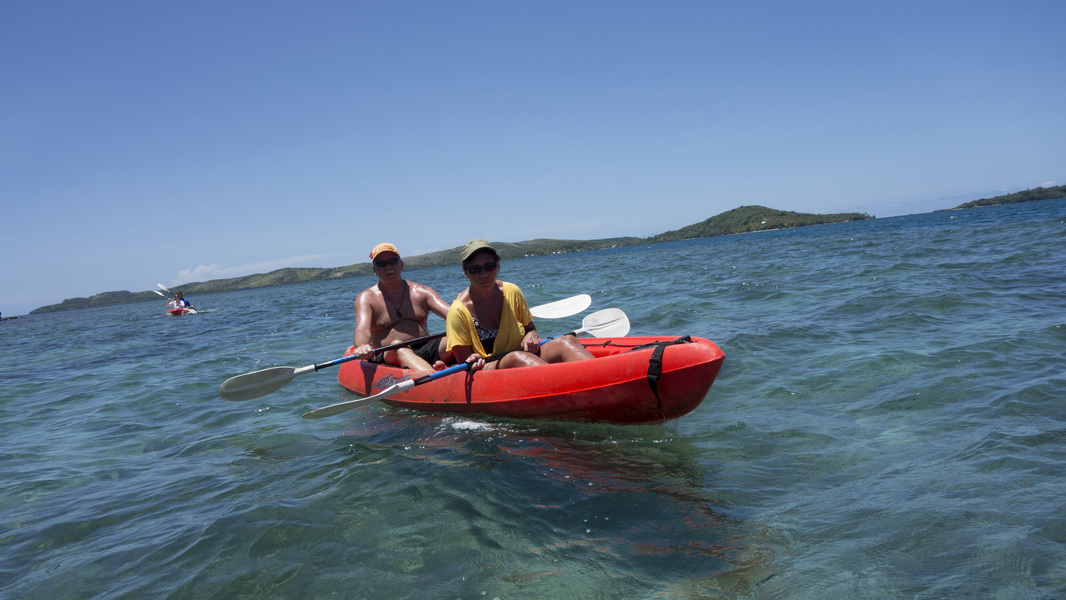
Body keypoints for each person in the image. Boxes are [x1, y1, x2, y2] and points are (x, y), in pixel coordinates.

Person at [446, 239, 594, 371]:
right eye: (475, 269)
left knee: (567, 341)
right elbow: (464, 365)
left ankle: (597, 378)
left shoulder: (512, 291)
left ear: (497, 265)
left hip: (523, 357)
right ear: (465, 272)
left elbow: (530, 329)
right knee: (515, 357)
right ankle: (565, 384)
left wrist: (531, 336)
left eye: (489, 266)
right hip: (489, 368)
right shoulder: (458, 311)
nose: (484, 274)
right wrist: (473, 361)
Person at [352, 242, 453, 371]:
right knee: (398, 345)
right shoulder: (366, 298)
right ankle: (434, 377)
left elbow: (453, 314)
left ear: (401, 264)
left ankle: (471, 365)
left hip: (428, 348)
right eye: (381, 264)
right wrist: (362, 346)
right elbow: (362, 329)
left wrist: (471, 321)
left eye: (393, 261)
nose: (388, 266)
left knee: (457, 335)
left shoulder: (422, 292)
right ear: (374, 270)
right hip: (391, 354)